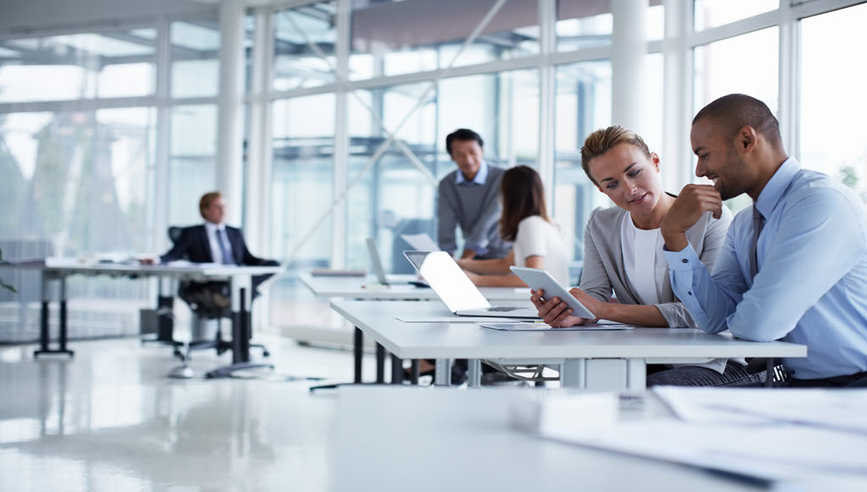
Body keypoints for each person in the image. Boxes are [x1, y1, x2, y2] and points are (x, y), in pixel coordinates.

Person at [659, 93, 867, 388]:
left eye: (704, 154)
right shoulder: (744, 223)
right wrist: (674, 235)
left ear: (746, 140)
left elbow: (759, 325)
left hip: (854, 390)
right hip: (797, 387)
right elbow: (714, 318)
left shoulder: (820, 203)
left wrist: (743, 313)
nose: (699, 171)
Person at [531, 125, 761, 387]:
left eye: (635, 172)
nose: (630, 189)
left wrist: (604, 310)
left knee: (638, 392)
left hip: (713, 361)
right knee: (585, 384)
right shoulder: (601, 224)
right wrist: (575, 312)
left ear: (655, 162)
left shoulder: (710, 219)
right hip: (646, 357)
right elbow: (594, 293)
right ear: (601, 189)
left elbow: (699, 313)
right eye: (612, 184)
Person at [144, 191, 278, 311]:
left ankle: (244, 287)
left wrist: (269, 263)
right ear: (205, 210)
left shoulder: (234, 233)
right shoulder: (193, 233)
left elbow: (247, 258)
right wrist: (157, 260)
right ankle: (243, 290)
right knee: (242, 292)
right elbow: (173, 254)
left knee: (269, 268)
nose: (223, 211)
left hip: (234, 278)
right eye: (217, 207)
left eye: (224, 207)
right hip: (209, 282)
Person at [457, 165, 569, 287]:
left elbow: (533, 278)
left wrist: (478, 280)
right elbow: (505, 264)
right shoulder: (544, 223)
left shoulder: (531, 225)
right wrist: (459, 264)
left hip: (543, 303)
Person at [437, 128, 511, 260]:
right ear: (452, 157)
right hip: (474, 255)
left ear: (482, 151)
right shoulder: (447, 184)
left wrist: (464, 259)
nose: (468, 160)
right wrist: (445, 259)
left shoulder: (504, 178)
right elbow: (445, 222)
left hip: (505, 254)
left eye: (473, 152)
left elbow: (488, 220)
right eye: (460, 154)